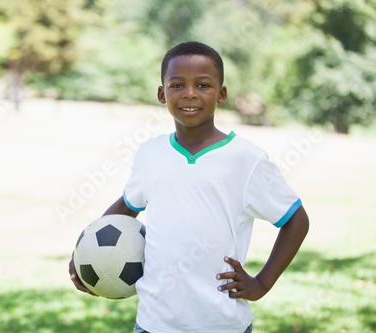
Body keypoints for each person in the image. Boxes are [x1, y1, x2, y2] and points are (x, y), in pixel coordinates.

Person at [69, 41, 309, 333]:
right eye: (177, 84)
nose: (190, 93)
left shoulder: (245, 159)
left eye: (203, 85)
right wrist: (85, 253)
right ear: (162, 93)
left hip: (222, 324)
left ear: (221, 94)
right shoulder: (150, 153)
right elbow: (125, 207)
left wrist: (262, 283)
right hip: (154, 323)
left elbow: (296, 219)